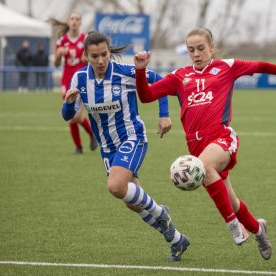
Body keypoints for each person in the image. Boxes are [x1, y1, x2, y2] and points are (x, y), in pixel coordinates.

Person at [134, 27, 276, 260]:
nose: (196, 54)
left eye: (200, 48)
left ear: (211, 47)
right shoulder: (179, 75)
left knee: (205, 168)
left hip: (221, 138)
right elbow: (146, 96)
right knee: (233, 203)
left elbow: (262, 66)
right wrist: (140, 71)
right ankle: (259, 230)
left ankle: (233, 226)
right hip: (196, 147)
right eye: (191, 50)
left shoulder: (226, 67)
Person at [61, 31, 190, 262]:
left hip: (132, 137)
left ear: (109, 52)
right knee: (131, 201)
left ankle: (161, 212)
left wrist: (164, 115)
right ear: (86, 56)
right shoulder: (80, 79)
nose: (100, 61)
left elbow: (160, 81)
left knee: (115, 186)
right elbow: (68, 116)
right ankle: (176, 239)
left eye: (104, 54)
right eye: (94, 56)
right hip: (107, 148)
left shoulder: (125, 72)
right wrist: (69, 103)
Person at [51, 12, 97, 154]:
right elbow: (56, 63)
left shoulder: (85, 39)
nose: (74, 21)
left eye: (77, 19)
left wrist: (86, 57)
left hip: (81, 80)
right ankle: (78, 147)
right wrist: (58, 55)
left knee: (76, 116)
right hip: (67, 80)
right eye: (72, 18)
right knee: (71, 114)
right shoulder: (62, 41)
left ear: (80, 22)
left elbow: (90, 58)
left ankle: (91, 135)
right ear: (68, 21)